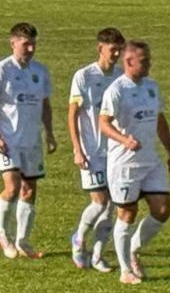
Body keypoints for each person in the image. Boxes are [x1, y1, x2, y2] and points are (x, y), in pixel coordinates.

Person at [98, 40, 170, 285]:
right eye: (145, 61)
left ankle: (133, 248)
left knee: (163, 210)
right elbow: (103, 123)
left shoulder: (152, 86)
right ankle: (125, 270)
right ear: (129, 61)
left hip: (151, 161)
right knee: (127, 213)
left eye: (149, 60)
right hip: (125, 164)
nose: (149, 64)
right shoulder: (117, 90)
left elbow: (159, 120)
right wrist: (124, 140)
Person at [67, 27, 124, 272]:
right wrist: (77, 148)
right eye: (113, 49)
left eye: (119, 49)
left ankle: (98, 255)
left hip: (115, 151)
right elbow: (72, 114)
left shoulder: (121, 76)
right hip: (91, 150)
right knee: (100, 202)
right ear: (100, 48)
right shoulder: (84, 76)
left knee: (113, 205)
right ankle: (79, 240)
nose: (117, 54)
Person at [0, 21, 55, 259]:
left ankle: (23, 241)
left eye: (33, 44)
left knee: (30, 190)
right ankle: (4, 235)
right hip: (8, 140)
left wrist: (50, 132)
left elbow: (45, 104)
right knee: (12, 188)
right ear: (13, 43)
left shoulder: (40, 71)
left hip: (32, 140)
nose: (30, 49)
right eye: (25, 44)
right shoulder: (3, 70)